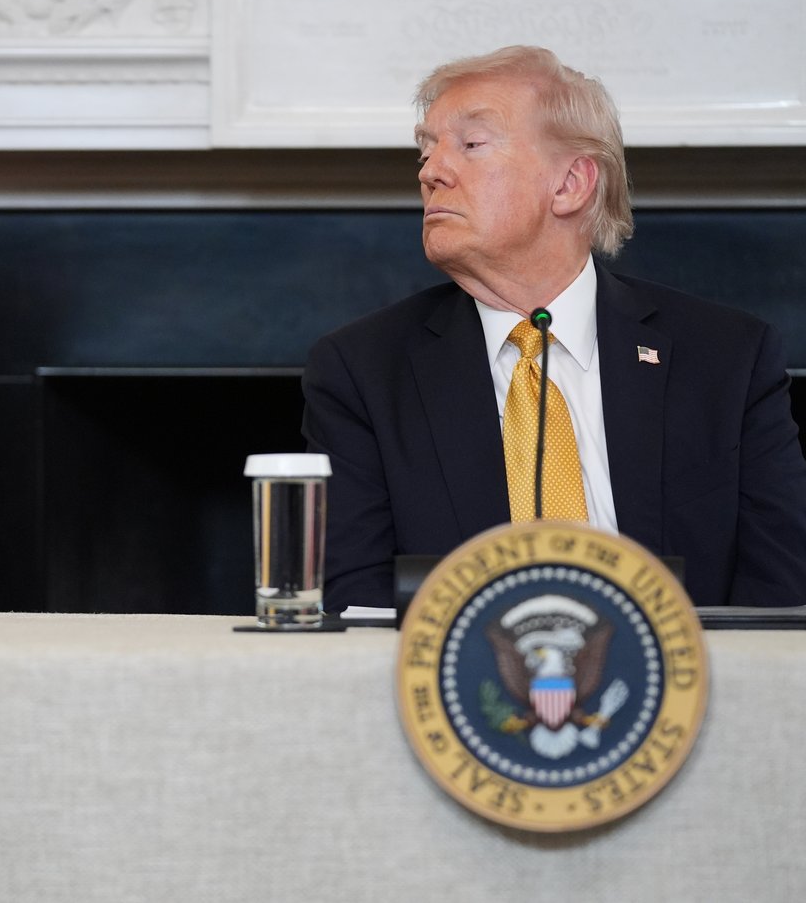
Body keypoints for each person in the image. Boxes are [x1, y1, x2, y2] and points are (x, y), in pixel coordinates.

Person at [302, 45, 806, 609]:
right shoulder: (363, 371)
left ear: (569, 184)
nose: (431, 171)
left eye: (470, 145)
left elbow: (779, 595)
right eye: (426, 150)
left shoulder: (727, 358)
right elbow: (356, 604)